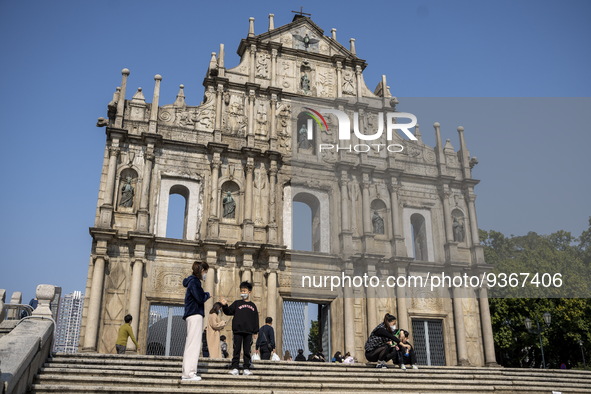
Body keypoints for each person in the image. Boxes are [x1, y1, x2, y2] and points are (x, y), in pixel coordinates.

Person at [221, 281, 259, 376]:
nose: (243, 293)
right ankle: (235, 368)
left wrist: (256, 331)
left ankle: (246, 367)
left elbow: (256, 319)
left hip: (248, 331)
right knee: (236, 349)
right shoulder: (237, 303)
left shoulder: (253, 306)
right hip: (238, 330)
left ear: (249, 292)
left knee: (247, 350)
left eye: (245, 291)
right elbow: (228, 311)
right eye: (241, 291)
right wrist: (225, 305)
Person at [181, 261, 210, 381]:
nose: (206, 274)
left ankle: (187, 372)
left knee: (191, 344)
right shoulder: (194, 282)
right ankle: (190, 373)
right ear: (201, 270)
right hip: (195, 313)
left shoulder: (191, 281)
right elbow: (199, 297)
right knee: (194, 345)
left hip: (192, 314)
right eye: (205, 271)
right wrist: (207, 294)